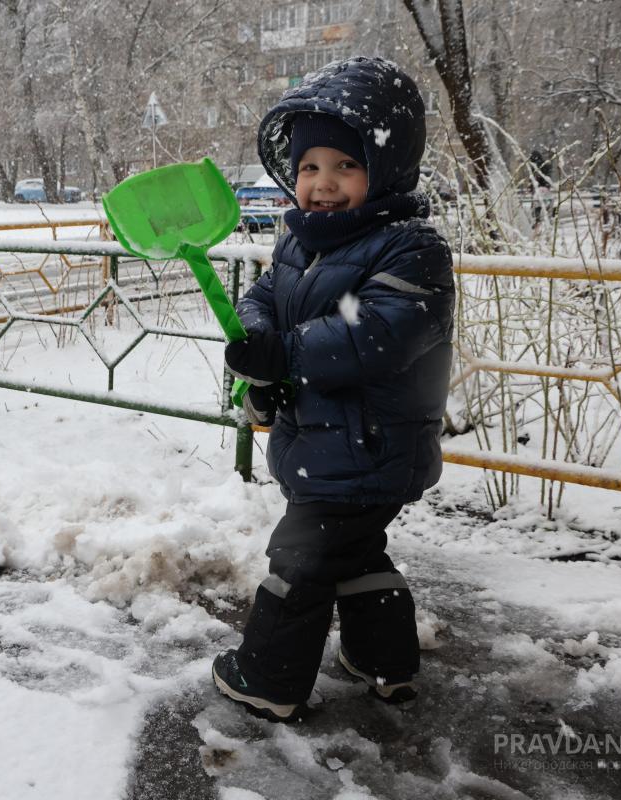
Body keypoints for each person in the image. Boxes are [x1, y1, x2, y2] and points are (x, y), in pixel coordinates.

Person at [211, 56, 456, 722]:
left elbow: (373, 329)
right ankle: (385, 661)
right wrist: (258, 345)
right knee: (354, 553)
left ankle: (267, 678)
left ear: (386, 170)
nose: (322, 185)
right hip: (328, 446)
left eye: (345, 167)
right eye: (309, 166)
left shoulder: (410, 248)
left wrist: (284, 356)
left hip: (368, 449)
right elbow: (266, 298)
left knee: (302, 558)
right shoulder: (300, 242)